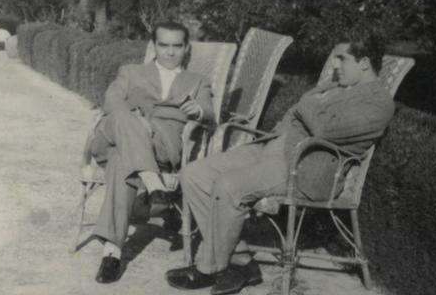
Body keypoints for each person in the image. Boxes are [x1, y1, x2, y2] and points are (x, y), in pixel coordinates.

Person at [165, 38, 394, 295]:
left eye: (342, 59)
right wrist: (310, 103)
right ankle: (241, 258)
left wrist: (307, 102)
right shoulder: (333, 86)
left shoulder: (378, 103)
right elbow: (309, 115)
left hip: (302, 164)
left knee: (229, 186)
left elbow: (324, 130)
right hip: (271, 146)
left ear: (364, 63)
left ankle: (209, 267)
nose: (335, 65)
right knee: (194, 174)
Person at [84, 21, 214, 284]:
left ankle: (112, 251)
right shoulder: (131, 71)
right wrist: (137, 122)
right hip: (113, 137)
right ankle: (153, 182)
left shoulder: (197, 81)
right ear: (154, 46)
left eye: (177, 46)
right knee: (121, 117)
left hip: (161, 145)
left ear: (186, 48)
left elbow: (210, 113)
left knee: (122, 161)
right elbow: (111, 101)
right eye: (163, 45)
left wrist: (197, 112)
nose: (170, 52)